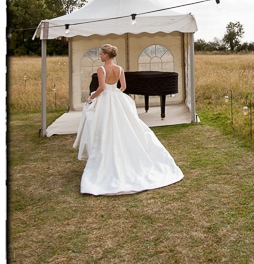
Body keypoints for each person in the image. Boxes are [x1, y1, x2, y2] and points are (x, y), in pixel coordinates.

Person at [73, 44, 183, 196]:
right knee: (124, 126)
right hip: (117, 98)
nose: (100, 55)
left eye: (101, 53)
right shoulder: (119, 69)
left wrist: (90, 98)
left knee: (104, 127)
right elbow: (123, 86)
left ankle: (105, 157)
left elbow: (102, 88)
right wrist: (116, 94)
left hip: (105, 99)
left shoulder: (101, 69)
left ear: (106, 55)